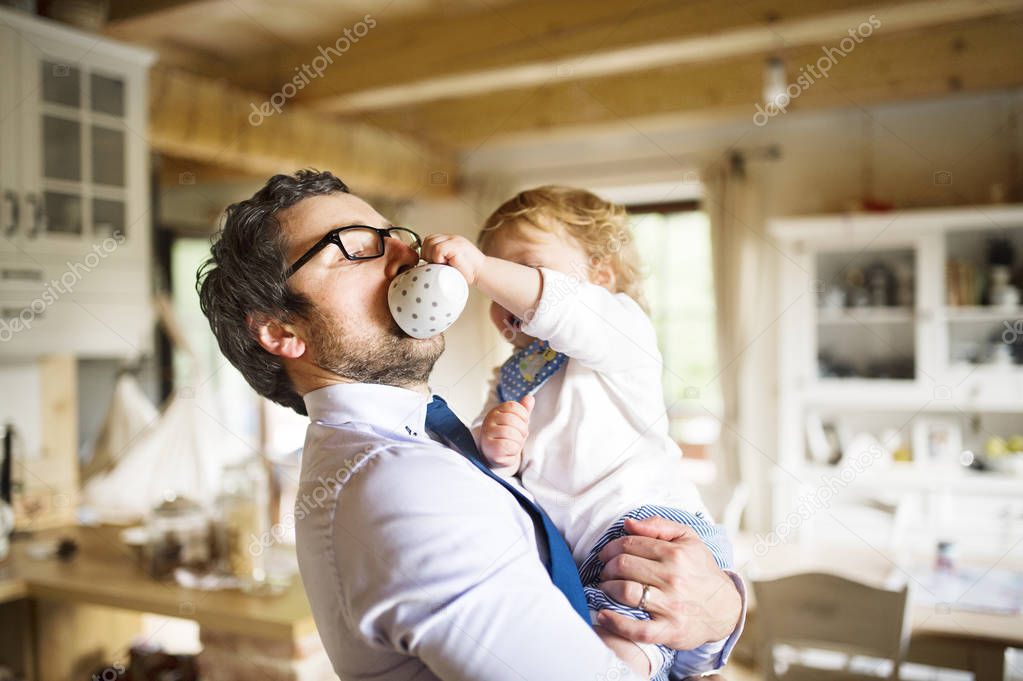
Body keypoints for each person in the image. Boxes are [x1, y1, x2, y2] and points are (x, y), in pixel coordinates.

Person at [197, 170, 745, 681]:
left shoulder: (423, 446)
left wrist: (717, 612)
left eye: (393, 234)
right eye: (355, 245)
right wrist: (717, 614)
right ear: (280, 329)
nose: (406, 254)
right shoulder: (398, 485)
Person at [426, 187, 736, 679]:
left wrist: (481, 266)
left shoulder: (619, 333)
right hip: (576, 552)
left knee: (621, 643)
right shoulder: (511, 375)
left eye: (525, 270)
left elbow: (566, 308)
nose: (503, 290)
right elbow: (504, 476)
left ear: (600, 278)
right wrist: (498, 449)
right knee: (571, 640)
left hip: (645, 528)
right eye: (495, 285)